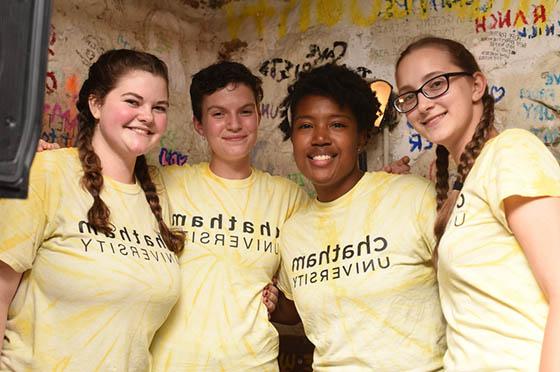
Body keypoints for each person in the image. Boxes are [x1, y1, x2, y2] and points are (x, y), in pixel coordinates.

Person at [0, 49, 184, 370]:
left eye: (159, 107)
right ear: (96, 104)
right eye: (132, 101)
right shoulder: (47, 172)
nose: (147, 116)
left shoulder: (158, 193)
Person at [394, 36, 560, 371]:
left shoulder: (511, 151)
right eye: (409, 96)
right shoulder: (466, 181)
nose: (423, 104)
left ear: (476, 86)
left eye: (436, 84)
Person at [274, 63, 446, 370]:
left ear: (362, 136)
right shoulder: (293, 231)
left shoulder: (412, 198)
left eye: (337, 125)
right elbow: (296, 308)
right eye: (305, 126)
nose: (320, 138)